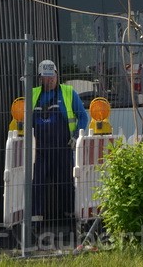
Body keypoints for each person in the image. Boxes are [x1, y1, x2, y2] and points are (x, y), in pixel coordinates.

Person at [31, 59, 89, 221]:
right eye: (46, 77)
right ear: (40, 78)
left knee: (66, 185)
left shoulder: (69, 93)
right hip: (40, 151)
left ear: (57, 76)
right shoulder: (33, 94)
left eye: (52, 77)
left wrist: (76, 136)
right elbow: (24, 121)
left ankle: (70, 218)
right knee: (37, 185)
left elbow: (83, 117)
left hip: (64, 148)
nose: (49, 81)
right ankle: (36, 220)